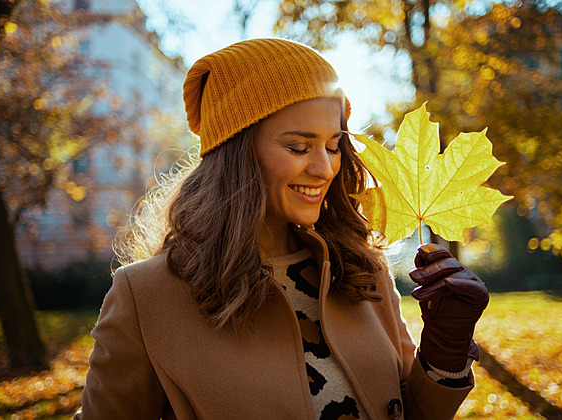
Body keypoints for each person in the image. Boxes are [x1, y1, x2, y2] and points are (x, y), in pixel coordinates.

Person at [74, 38, 489, 420]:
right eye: (298, 147)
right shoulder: (146, 297)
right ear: (236, 150)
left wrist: (443, 353)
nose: (325, 168)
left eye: (332, 146)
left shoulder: (362, 267)